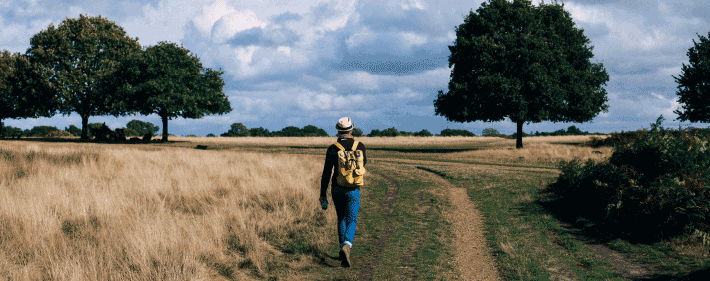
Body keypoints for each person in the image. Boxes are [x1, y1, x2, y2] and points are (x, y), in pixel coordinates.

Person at [320, 117, 367, 267]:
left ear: (338, 130)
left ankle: (342, 248)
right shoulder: (360, 146)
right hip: (353, 189)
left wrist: (323, 194)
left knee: (341, 218)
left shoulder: (333, 148)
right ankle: (347, 245)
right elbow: (362, 164)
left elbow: (326, 173)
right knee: (352, 219)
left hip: (337, 188)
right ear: (351, 129)